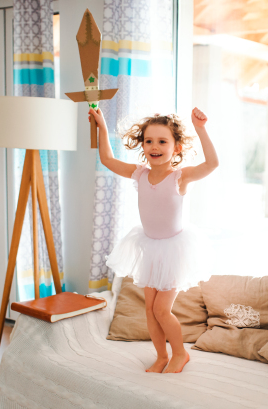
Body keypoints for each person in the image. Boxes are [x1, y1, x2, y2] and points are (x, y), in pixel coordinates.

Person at [88, 106, 219, 374]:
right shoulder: (140, 174)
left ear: (177, 147)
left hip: (174, 251)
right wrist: (101, 126)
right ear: (142, 145)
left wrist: (201, 129)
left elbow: (212, 164)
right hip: (149, 248)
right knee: (149, 310)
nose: (154, 147)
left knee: (161, 309)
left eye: (162, 141)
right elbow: (107, 160)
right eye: (149, 141)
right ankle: (161, 356)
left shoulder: (180, 177)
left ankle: (180, 353)